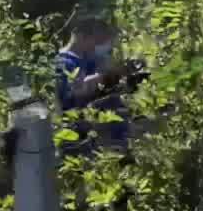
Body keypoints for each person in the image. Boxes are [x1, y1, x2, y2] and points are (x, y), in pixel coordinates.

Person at [56, 16, 145, 155]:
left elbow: (102, 86)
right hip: (79, 134)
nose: (99, 45)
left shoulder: (88, 60)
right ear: (81, 36)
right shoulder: (64, 61)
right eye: (97, 40)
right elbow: (78, 89)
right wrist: (108, 75)